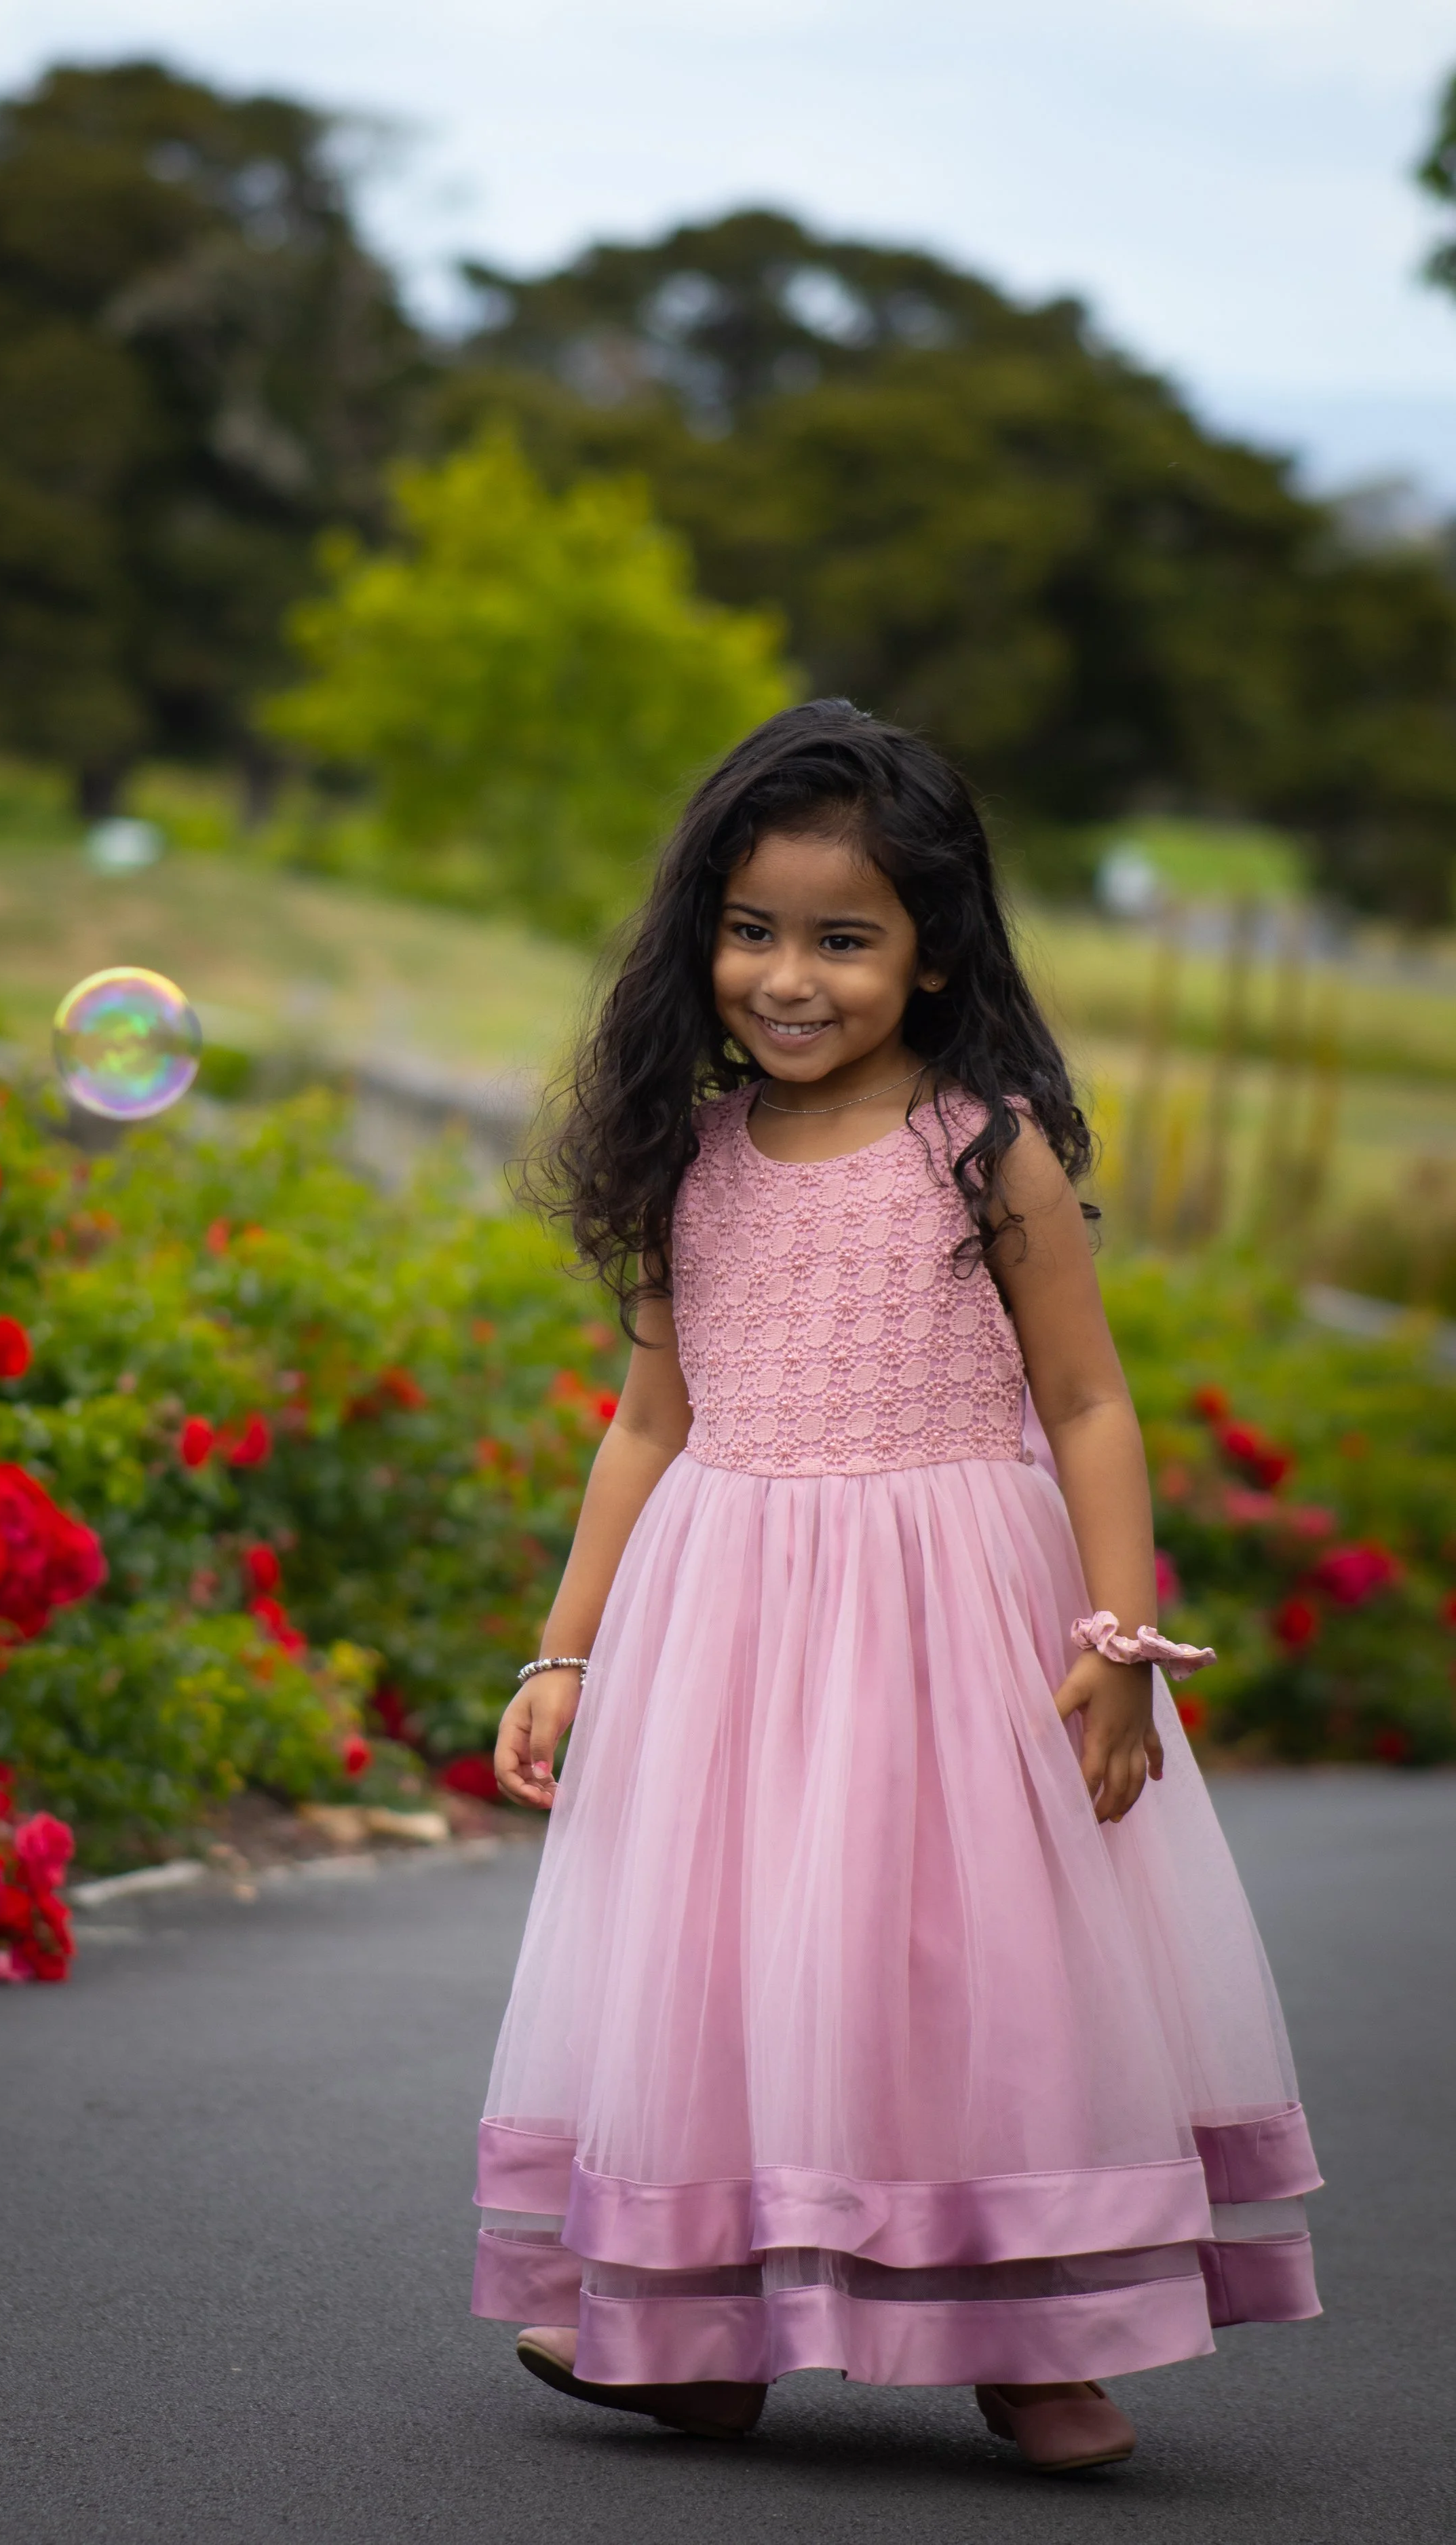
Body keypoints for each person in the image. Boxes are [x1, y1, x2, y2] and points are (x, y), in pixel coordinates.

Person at [475, 702, 1320, 2474]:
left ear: (931, 953)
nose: (789, 976)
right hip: (728, 1618)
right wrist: (566, 1653)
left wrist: (1110, 1641)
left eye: (843, 938)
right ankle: (701, 2329)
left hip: (950, 1617)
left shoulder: (979, 1147)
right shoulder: (681, 1161)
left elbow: (1086, 1399)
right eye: (752, 930)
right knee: (729, 1967)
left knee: (965, 1965)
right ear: (700, 935)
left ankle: (1036, 2333)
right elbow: (644, 1426)